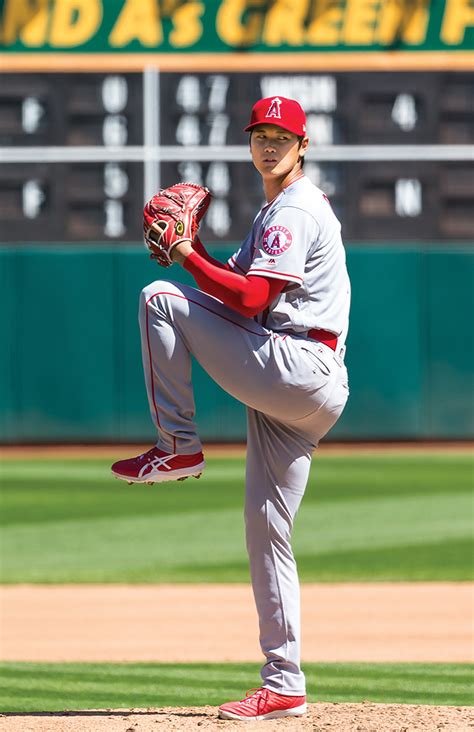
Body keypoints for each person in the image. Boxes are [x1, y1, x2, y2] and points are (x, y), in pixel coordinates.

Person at [111, 96, 351, 721]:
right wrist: (201, 253)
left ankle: (178, 445)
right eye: (260, 135)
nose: (269, 145)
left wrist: (186, 253)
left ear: (303, 146)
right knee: (266, 531)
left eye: (282, 136)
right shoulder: (277, 210)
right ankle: (285, 682)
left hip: (295, 365)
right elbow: (232, 286)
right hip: (301, 389)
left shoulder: (294, 209)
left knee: (161, 297)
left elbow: (247, 301)